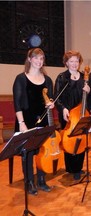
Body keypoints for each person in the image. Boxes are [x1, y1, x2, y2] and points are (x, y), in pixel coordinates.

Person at [13, 48, 53, 195]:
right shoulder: (21, 78)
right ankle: (29, 182)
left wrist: (51, 103)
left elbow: (50, 98)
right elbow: (17, 103)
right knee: (28, 153)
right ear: (29, 59)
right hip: (26, 121)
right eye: (36, 58)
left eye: (41, 58)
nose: (39, 61)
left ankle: (42, 179)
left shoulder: (47, 80)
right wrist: (21, 123)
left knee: (43, 151)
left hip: (42, 121)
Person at [54, 50, 90, 180]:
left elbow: (86, 98)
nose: (74, 64)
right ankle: (71, 168)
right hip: (67, 114)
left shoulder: (84, 77)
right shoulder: (62, 77)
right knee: (68, 139)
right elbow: (57, 98)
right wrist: (62, 109)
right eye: (71, 61)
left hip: (81, 113)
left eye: (76, 61)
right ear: (66, 63)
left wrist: (88, 91)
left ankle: (78, 168)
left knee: (81, 139)